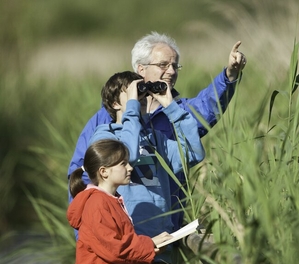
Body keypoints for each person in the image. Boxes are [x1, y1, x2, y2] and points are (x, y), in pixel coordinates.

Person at [68, 31, 247, 233]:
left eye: (175, 66)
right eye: (163, 65)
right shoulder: (104, 123)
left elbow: (207, 108)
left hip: (163, 230)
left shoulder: (175, 113)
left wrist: (229, 76)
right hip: (121, 234)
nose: (171, 71)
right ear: (140, 69)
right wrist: (87, 234)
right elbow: (84, 175)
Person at [87, 70, 205, 264]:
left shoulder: (154, 138)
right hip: (129, 254)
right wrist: (131, 108)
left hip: (161, 251)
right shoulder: (105, 136)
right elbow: (125, 151)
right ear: (117, 103)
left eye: (141, 93)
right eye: (133, 93)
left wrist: (170, 106)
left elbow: (194, 154)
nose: (140, 98)